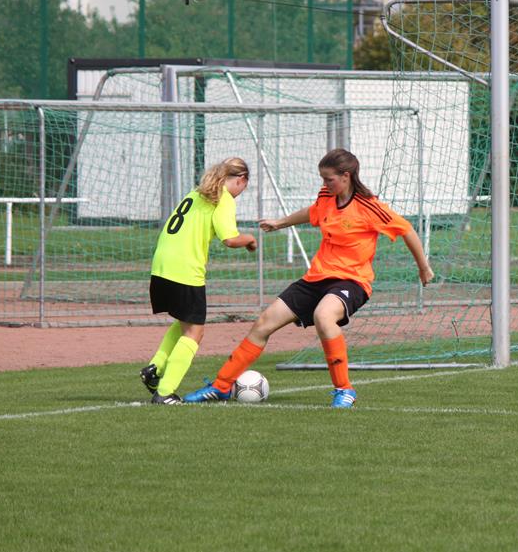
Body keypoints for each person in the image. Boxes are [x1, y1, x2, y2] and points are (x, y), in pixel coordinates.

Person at [183, 148, 434, 408]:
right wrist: (280, 223)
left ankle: (344, 390)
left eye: (329, 179)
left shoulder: (369, 206)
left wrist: (423, 267)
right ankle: (221, 386)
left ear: (346, 176)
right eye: (323, 178)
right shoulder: (326, 196)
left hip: (352, 281)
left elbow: (406, 229)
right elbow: (312, 211)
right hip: (316, 278)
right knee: (263, 323)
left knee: (324, 316)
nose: (325, 184)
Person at [140, 157, 257, 404]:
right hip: (185, 269)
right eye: (244, 187)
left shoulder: (197, 193)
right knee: (195, 332)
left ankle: (155, 369)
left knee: (186, 322)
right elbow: (229, 238)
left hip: (161, 264)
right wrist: (250, 239)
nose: (241, 192)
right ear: (241, 179)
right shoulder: (223, 198)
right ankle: (165, 392)